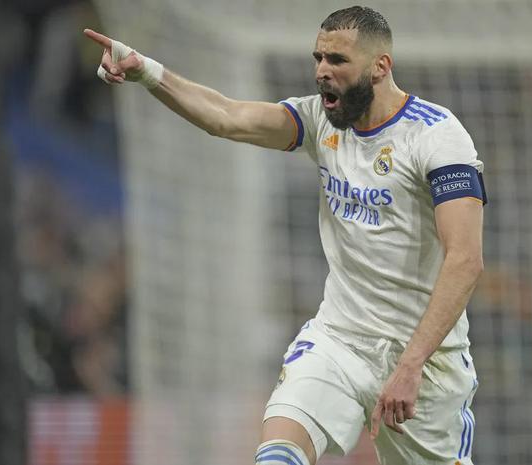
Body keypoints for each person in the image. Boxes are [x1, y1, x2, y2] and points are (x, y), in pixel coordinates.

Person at [84, 6, 487, 465]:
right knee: (277, 456)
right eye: (318, 58)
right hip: (340, 340)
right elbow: (226, 116)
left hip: (426, 361)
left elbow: (465, 260)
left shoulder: (437, 136)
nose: (321, 71)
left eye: (337, 60)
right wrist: (147, 72)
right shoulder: (318, 120)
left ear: (380, 67)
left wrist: (411, 364)